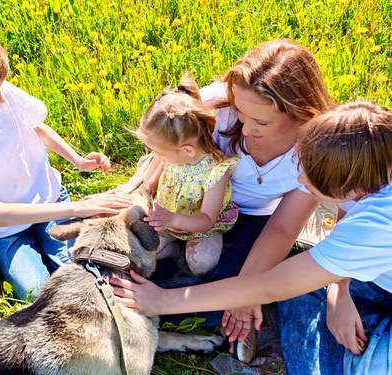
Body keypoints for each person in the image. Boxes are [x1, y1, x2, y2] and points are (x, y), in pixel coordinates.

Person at [112, 100, 392, 375]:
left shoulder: (375, 224)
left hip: (376, 274)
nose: (302, 182)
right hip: (376, 277)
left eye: (311, 180)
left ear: (348, 186)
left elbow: (273, 285)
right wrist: (338, 290)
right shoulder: (371, 165)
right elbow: (344, 216)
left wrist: (162, 301)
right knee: (300, 300)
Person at [0, 21, 132, 301]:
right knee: (35, 292)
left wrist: (77, 160)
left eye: (0, 87)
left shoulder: (2, 96)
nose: (2, 99)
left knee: (83, 272)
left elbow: (36, 127)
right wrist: (81, 206)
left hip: (48, 198)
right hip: (4, 230)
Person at [141, 39, 333, 347]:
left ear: (300, 112)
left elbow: (283, 228)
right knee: (201, 285)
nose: (245, 129)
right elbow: (169, 152)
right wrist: (143, 192)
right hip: (189, 201)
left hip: (256, 217)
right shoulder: (216, 108)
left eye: (261, 121)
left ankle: (169, 294)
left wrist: (245, 294)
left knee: (230, 293)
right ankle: (158, 288)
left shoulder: (315, 152)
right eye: (242, 113)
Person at [134, 76, 240, 277]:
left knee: (202, 261)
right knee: (145, 247)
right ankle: (175, 252)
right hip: (168, 220)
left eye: (162, 153)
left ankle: (188, 256)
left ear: (188, 150)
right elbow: (160, 168)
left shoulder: (215, 171)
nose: (160, 157)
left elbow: (207, 219)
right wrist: (146, 190)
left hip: (201, 228)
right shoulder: (175, 155)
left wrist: (173, 219)